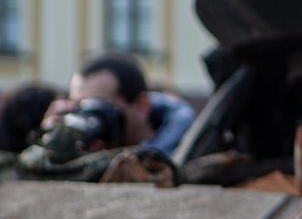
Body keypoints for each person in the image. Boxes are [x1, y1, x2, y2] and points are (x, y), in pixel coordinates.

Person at [42, 53, 196, 157]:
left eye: (97, 107)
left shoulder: (185, 153)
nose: (88, 119)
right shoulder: (82, 151)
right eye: (80, 108)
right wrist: (54, 142)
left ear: (142, 105)